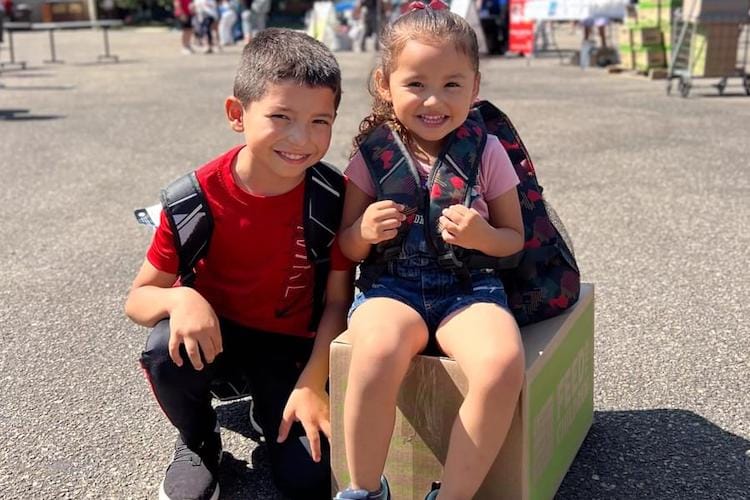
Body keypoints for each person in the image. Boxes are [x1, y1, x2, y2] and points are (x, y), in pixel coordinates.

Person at [125, 29, 352, 500]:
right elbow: (138, 299)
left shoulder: (332, 200)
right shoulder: (192, 199)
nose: (300, 139)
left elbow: (337, 301)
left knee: (307, 482)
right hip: (213, 337)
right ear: (237, 114)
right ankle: (198, 440)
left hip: (290, 347)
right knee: (164, 346)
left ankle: (271, 411)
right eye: (280, 117)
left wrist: (313, 383)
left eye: (319, 121)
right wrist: (182, 296)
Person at [334, 2, 526, 499]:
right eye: (416, 84)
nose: (433, 101)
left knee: (502, 364)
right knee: (374, 351)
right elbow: (346, 247)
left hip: (469, 289)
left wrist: (483, 236)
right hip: (391, 287)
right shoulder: (371, 156)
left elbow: (513, 238)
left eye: (452, 85)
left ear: (476, 88)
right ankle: (364, 489)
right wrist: (365, 231)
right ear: (385, 84)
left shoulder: (486, 152)